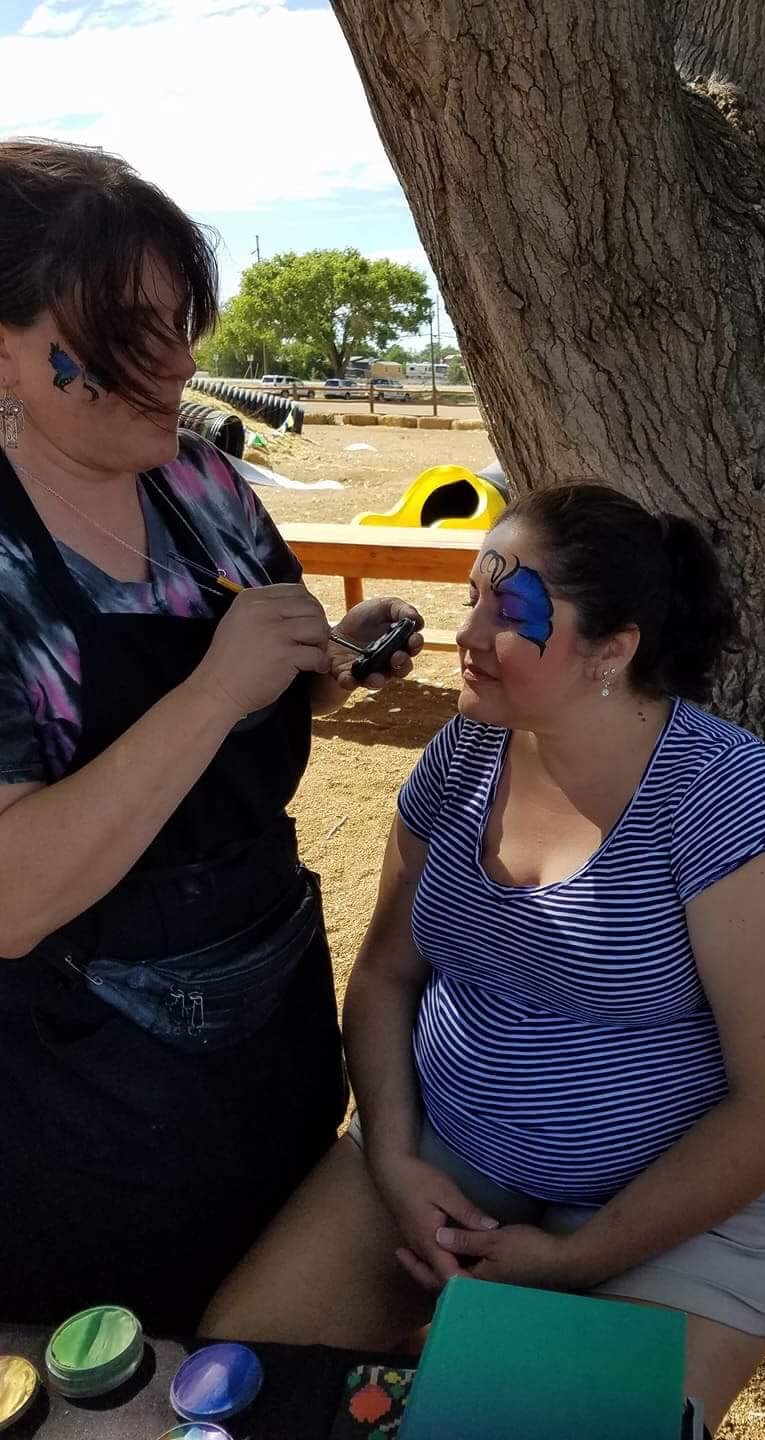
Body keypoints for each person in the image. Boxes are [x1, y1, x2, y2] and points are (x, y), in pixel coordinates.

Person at [203, 483, 765, 1426]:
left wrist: (572, 1262)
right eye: (473, 598)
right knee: (244, 1380)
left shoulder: (733, 814)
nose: (467, 632)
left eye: (510, 611)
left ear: (612, 650)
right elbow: (385, 974)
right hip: (451, 1151)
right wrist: (395, 1161)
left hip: (681, 1201)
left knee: (528, 1422)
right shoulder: (466, 750)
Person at [0, 138, 422, 1333]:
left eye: (181, 324)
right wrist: (210, 692)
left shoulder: (203, 489)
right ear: (6, 353)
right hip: (86, 1100)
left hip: (268, 1020)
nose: (181, 364)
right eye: (127, 331)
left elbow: (263, 704)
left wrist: (329, 659)